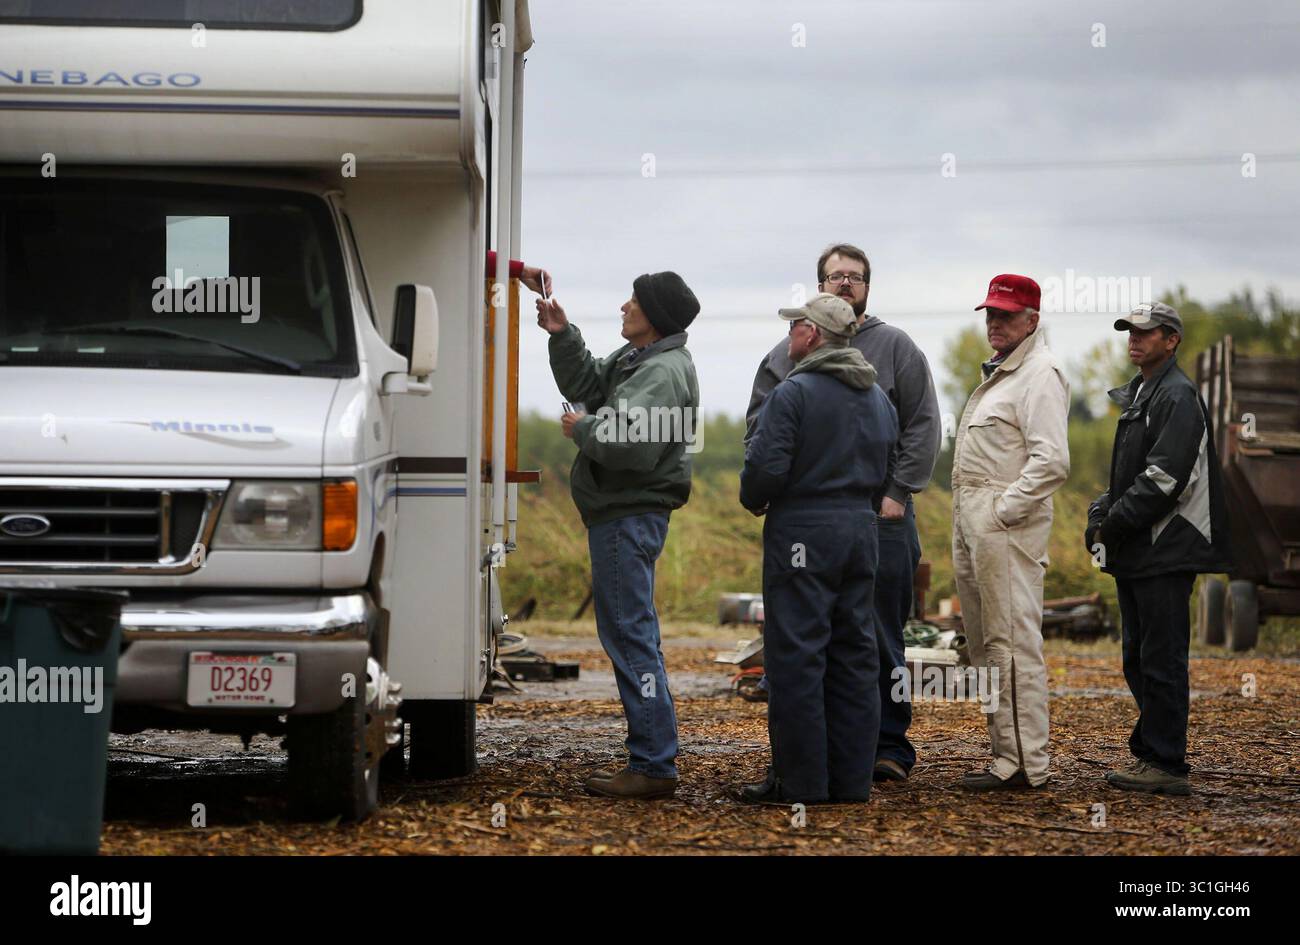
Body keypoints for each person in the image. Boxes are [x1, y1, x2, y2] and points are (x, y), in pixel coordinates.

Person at [746, 243, 940, 781]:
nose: (846, 284)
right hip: (825, 520)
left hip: (884, 517)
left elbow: (924, 427)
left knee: (876, 637)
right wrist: (767, 490)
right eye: (836, 277)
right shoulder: (784, 356)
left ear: (868, 289)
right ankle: (836, 762)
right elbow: (759, 433)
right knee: (828, 642)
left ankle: (885, 748)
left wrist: (896, 494)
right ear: (819, 286)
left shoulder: (895, 349)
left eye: (855, 277)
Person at [536, 272, 700, 800]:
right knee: (633, 633)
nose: (624, 305)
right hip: (622, 515)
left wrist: (580, 428)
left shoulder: (662, 371)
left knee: (630, 635)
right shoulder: (641, 362)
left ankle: (652, 766)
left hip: (627, 515)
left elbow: (630, 441)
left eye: (636, 300)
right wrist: (562, 333)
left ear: (656, 315)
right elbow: (586, 383)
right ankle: (653, 760)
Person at [739, 293, 898, 803]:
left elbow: (764, 470)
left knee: (797, 657)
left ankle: (800, 783)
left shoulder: (794, 392)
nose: (789, 338)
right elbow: (889, 468)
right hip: (860, 530)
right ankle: (851, 783)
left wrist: (756, 498)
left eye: (794, 328)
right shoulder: (878, 397)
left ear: (811, 334)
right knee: (854, 656)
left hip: (803, 533)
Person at [1087, 302, 1230, 796]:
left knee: (1161, 658)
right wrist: (1099, 513)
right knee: (1138, 656)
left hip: (1169, 546)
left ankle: (1166, 764)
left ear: (1171, 340)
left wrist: (1114, 527)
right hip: (1142, 546)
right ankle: (1152, 752)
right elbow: (1129, 478)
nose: (1134, 338)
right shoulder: (1145, 392)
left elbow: (1163, 479)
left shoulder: (1177, 395)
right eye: (1130, 331)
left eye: (1147, 332)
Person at [951, 274, 1069, 790]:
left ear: (1032, 320)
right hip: (974, 518)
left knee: (1013, 643)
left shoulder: (1041, 373)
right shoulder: (1002, 373)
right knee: (984, 644)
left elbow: (1052, 462)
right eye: (990, 313)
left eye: (1006, 314)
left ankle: (1028, 766)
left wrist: (1002, 512)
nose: (995, 322)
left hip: (1003, 524)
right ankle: (1006, 758)